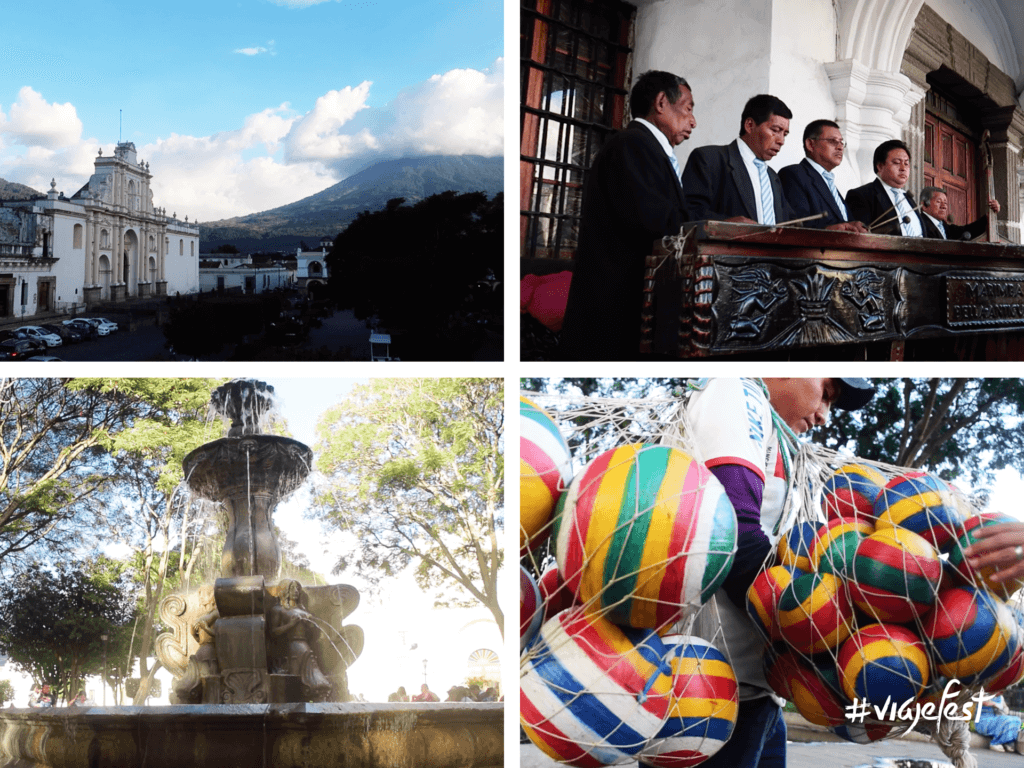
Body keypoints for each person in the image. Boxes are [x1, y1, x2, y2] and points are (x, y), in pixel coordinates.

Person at [684, 377, 875, 768]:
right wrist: (838, 631)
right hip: (706, 691)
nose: (824, 415)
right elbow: (731, 535)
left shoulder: (774, 434)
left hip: (756, 691)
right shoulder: (736, 391)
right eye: (828, 394)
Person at [559, 70, 696, 361]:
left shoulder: (643, 147)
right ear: (661, 102)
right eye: (687, 108)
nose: (693, 121)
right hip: (618, 309)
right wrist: (705, 226)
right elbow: (654, 223)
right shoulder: (633, 145)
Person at [682, 94, 798, 225]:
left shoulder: (773, 177)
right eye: (775, 130)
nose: (781, 140)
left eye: (785, 134)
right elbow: (688, 212)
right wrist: (727, 224)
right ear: (749, 125)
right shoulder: (709, 159)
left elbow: (788, 221)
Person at [777, 120, 867, 232]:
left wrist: (853, 225)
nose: (840, 147)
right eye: (832, 141)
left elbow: (841, 223)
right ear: (810, 144)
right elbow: (795, 225)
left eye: (841, 142)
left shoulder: (828, 181)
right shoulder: (793, 174)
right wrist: (828, 229)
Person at [845, 139, 924, 236]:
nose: (903, 168)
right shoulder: (861, 195)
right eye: (896, 162)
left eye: (906, 163)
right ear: (880, 166)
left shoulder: (908, 198)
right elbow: (861, 238)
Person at [918, 185, 1000, 241]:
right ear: (924, 205)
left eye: (945, 203)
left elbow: (966, 231)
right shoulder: (919, 224)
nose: (944, 206)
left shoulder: (943, 225)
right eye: (938, 202)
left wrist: (988, 217)